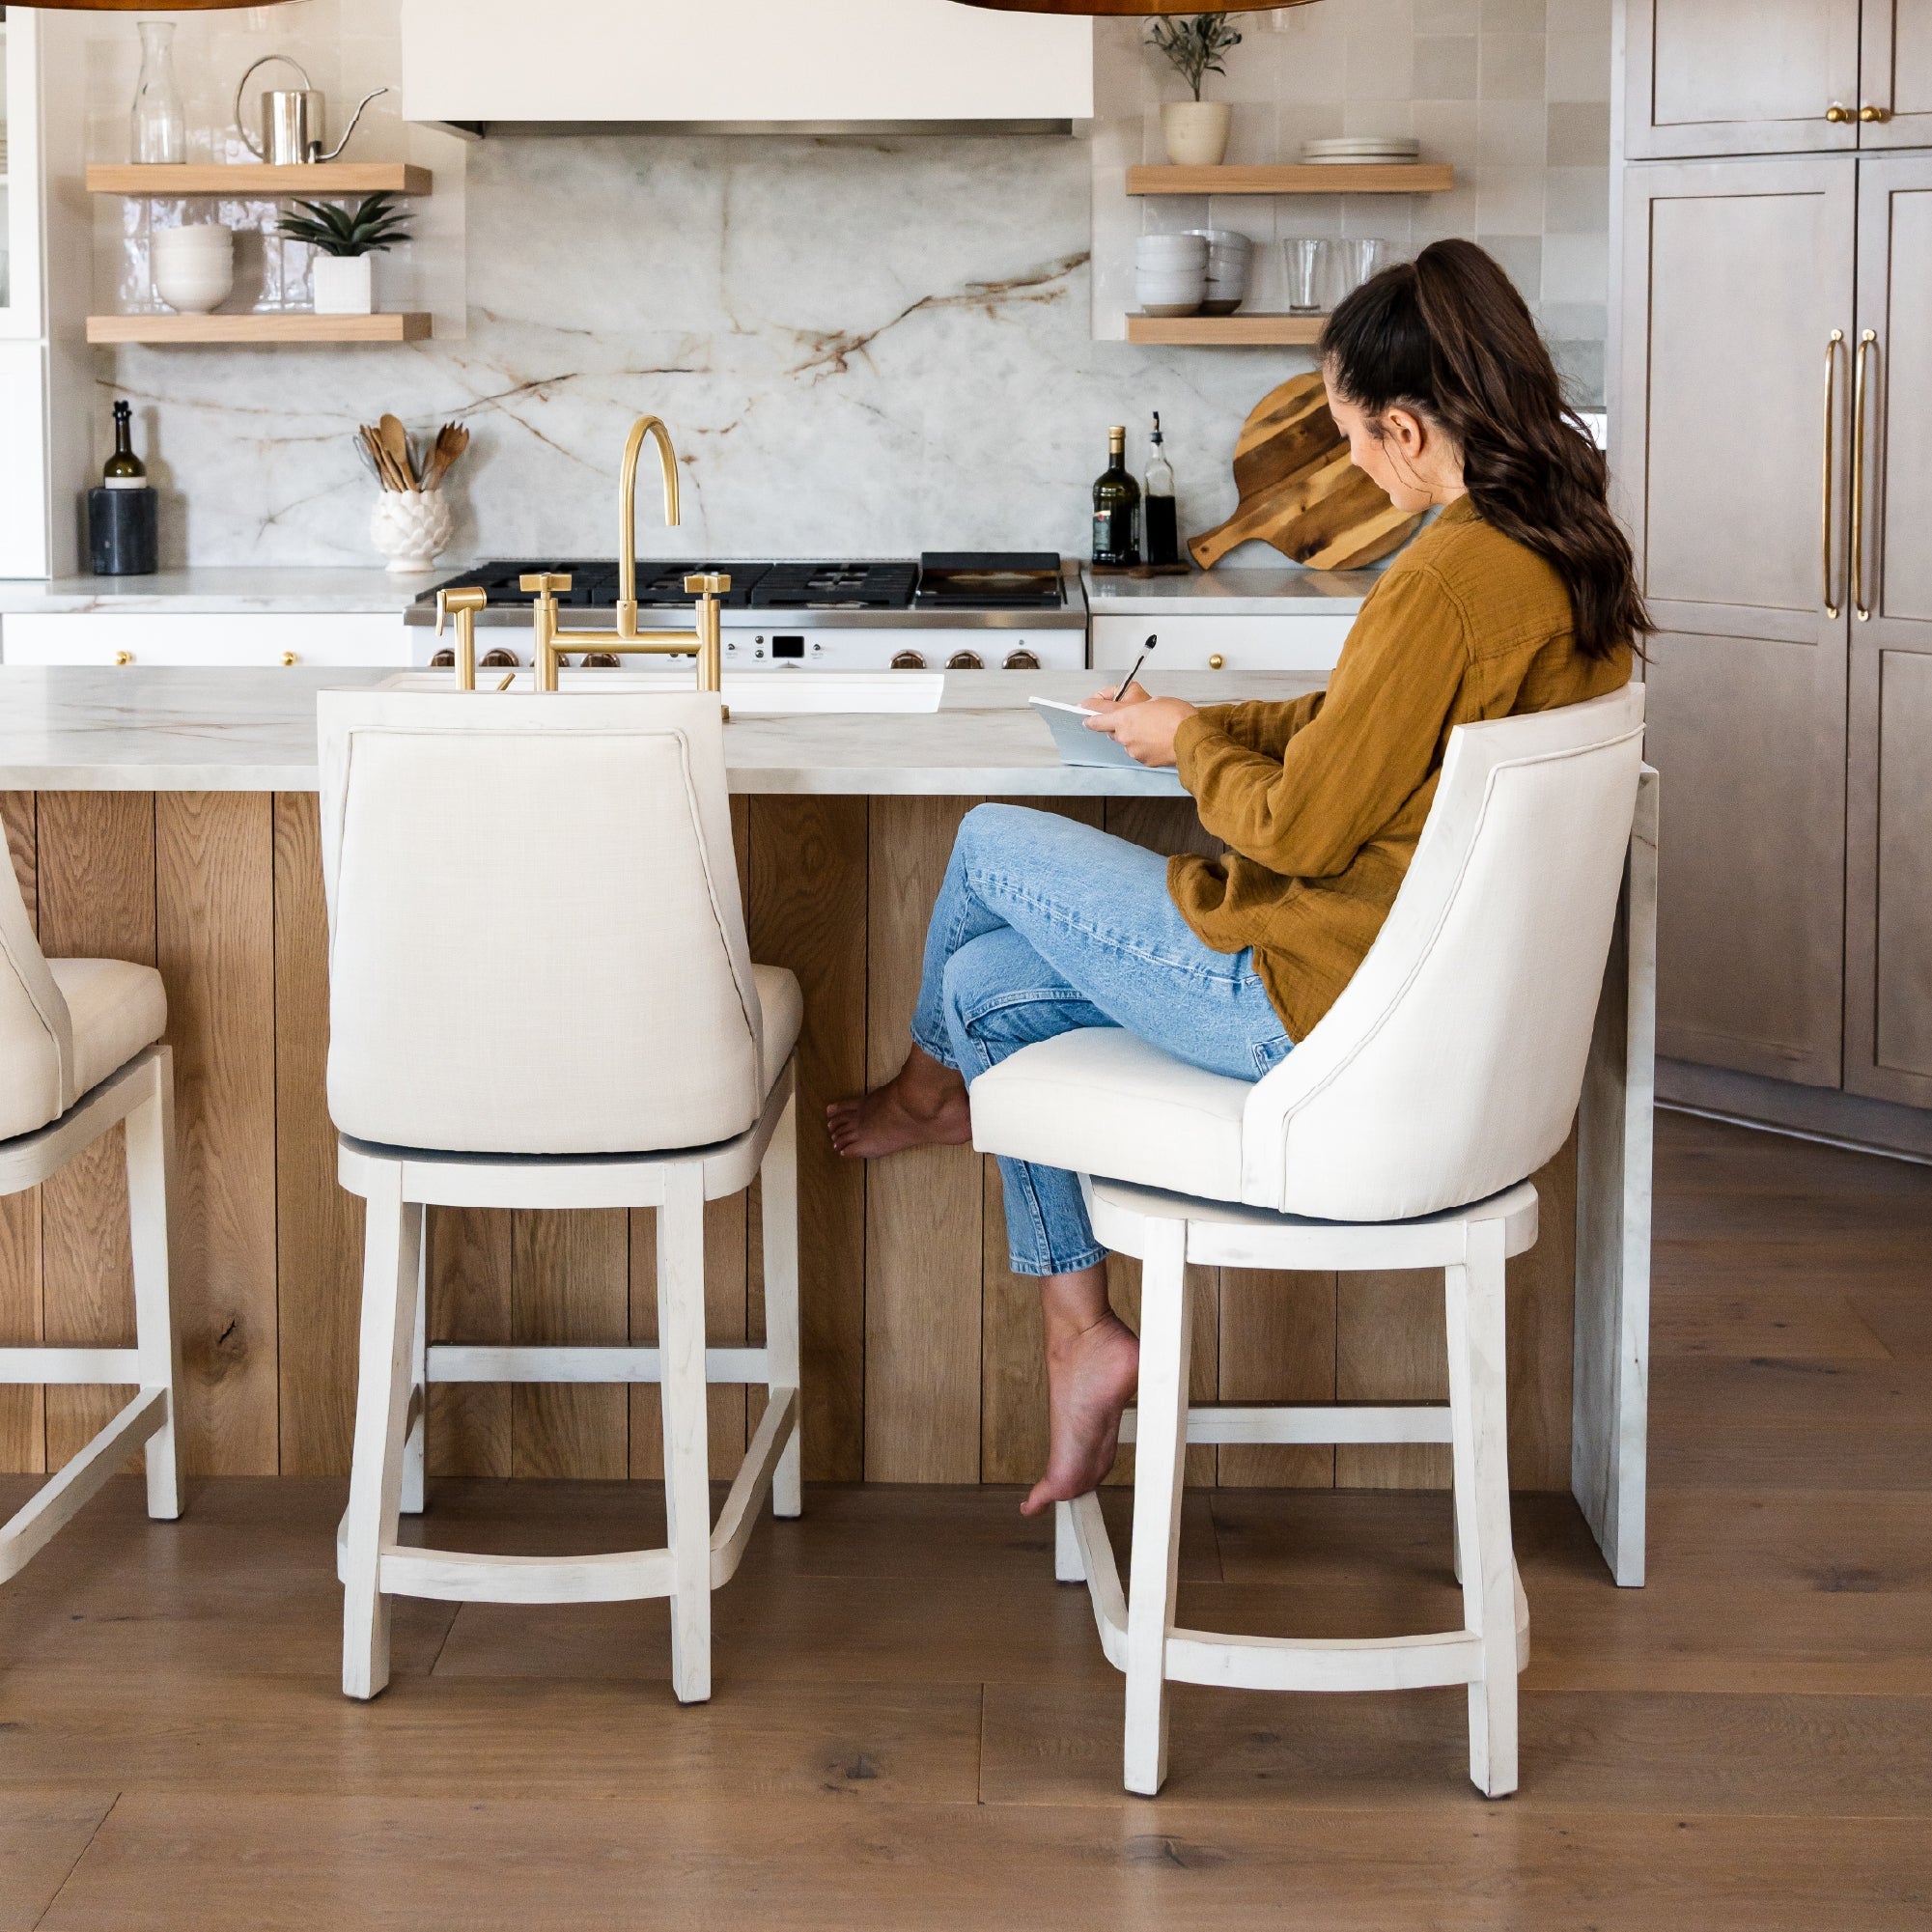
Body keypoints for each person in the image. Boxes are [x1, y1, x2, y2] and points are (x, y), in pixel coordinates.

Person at [826, 239, 1649, 1518]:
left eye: (1354, 439)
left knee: (988, 838)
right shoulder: (1556, 554)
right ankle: (1080, 1331)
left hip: (1315, 1006)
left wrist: (1191, 747)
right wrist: (1200, 724)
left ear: (1405, 428)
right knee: (985, 983)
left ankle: (930, 1097)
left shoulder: (1443, 577)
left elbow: (1297, 833)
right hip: (1424, 1019)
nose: (1354, 468)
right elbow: (1362, 732)